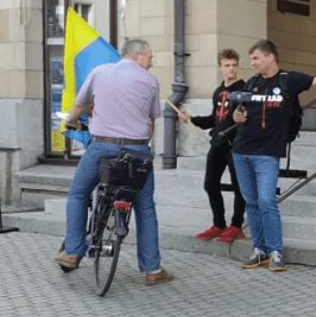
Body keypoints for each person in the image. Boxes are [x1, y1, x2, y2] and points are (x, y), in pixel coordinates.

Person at [231, 40, 316, 272]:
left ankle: (276, 252)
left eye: (255, 58)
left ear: (270, 58)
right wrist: (237, 115)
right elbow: (241, 110)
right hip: (241, 150)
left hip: (267, 154)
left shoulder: (289, 80)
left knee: (267, 201)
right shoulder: (252, 83)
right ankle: (259, 250)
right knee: (252, 203)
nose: (252, 63)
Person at [55, 38, 173, 285]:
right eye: (150, 57)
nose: (151, 63)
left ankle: (73, 252)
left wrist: (70, 122)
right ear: (137, 55)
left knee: (78, 193)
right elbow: (151, 124)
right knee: (145, 207)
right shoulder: (150, 82)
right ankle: (152, 270)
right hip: (138, 152)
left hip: (102, 147)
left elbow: (79, 105)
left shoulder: (99, 72)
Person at [178, 49, 247, 242]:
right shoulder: (218, 91)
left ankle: (236, 225)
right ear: (220, 67)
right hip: (218, 143)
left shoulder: (244, 90)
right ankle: (218, 224)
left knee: (238, 186)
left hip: (235, 145)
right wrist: (190, 119)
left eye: (234, 65)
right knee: (210, 184)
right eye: (227, 65)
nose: (231, 69)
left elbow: (245, 119)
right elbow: (214, 119)